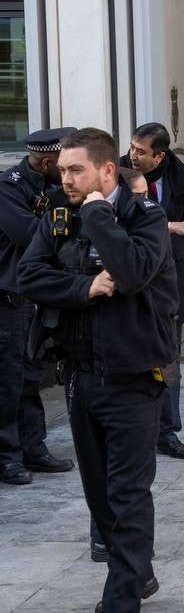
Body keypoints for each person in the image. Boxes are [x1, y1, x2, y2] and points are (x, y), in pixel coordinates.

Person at [18, 127, 178, 613]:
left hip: (134, 381)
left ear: (107, 172)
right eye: (62, 170)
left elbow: (130, 272)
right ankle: (137, 573)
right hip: (81, 378)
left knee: (128, 495)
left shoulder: (145, 220)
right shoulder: (56, 219)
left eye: (75, 170)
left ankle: (121, 610)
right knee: (100, 498)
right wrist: (84, 287)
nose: (64, 179)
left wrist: (96, 215)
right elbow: (29, 276)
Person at [121, 122, 184, 460]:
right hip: (129, 277)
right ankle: (134, 429)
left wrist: (169, 253)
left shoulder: (183, 175)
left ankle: (168, 432)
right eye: (132, 147)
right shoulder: (118, 175)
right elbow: (115, 221)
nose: (133, 155)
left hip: (169, 278)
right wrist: (165, 229)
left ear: (159, 155)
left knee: (169, 356)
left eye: (140, 151)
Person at [0, 127, 77, 485]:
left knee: (32, 374)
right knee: (8, 379)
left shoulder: (52, 186)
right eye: (63, 167)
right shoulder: (8, 188)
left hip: (35, 296)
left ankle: (33, 446)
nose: (68, 175)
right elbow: (33, 237)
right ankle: (6, 455)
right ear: (46, 161)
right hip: (8, 297)